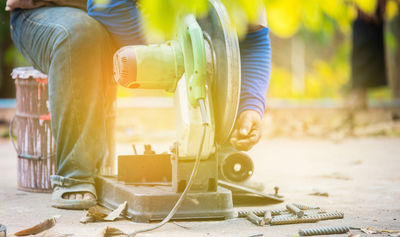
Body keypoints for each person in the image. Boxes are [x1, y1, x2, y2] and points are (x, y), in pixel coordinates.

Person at [7, 0, 271, 210]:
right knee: (82, 35)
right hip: (50, 12)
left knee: (209, 39)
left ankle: (216, 162)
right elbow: (110, 8)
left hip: (134, 12)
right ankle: (75, 174)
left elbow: (254, 37)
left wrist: (249, 107)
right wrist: (183, 57)